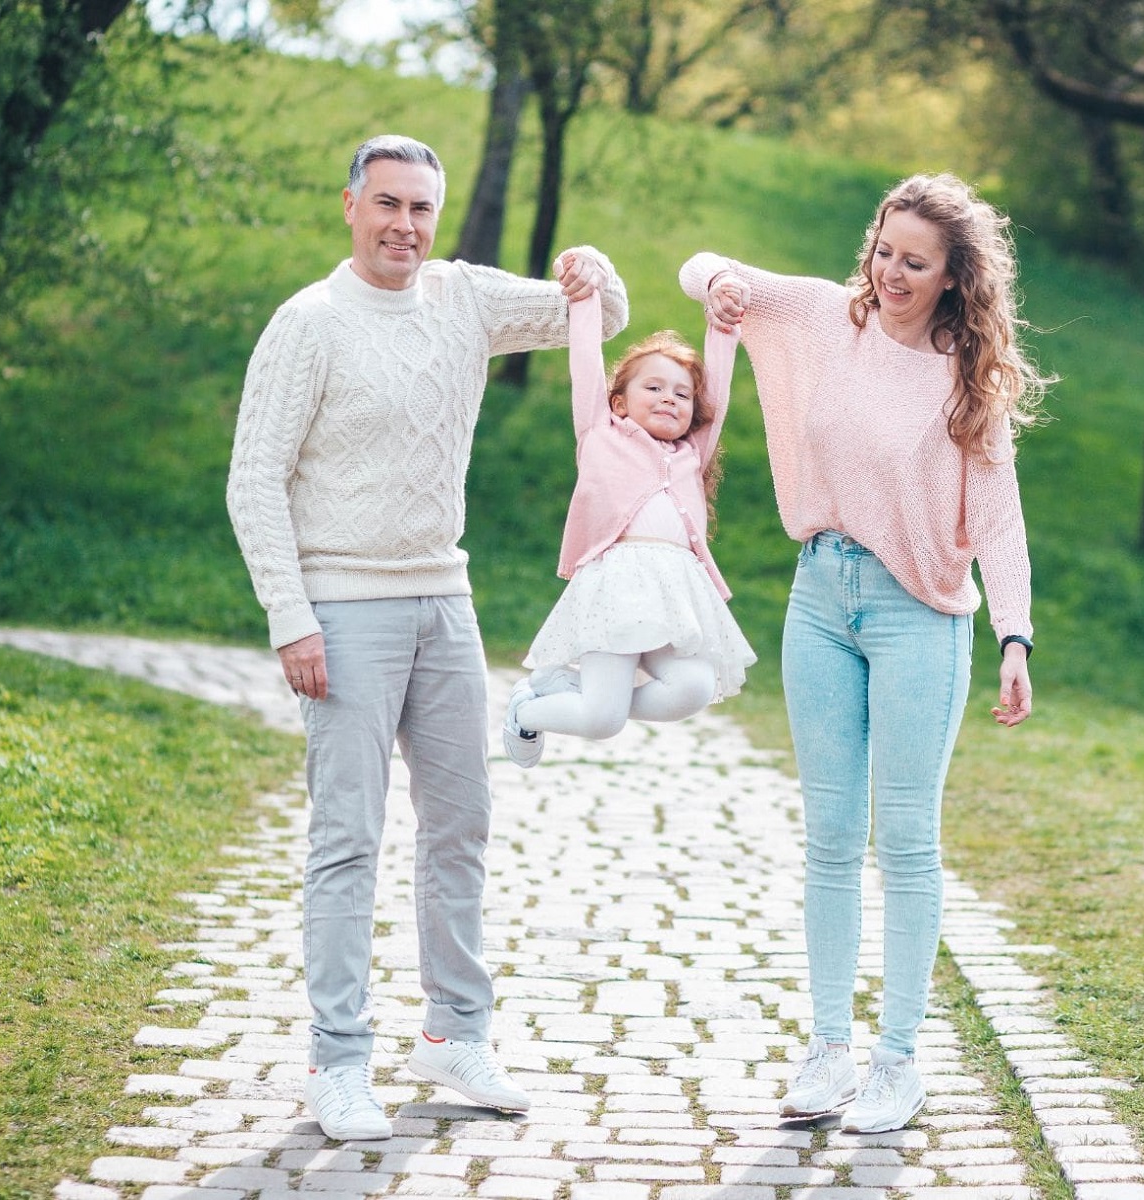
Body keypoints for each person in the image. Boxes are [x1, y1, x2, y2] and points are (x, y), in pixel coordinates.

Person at [226, 134, 628, 1141]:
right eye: (388, 205)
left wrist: (592, 269)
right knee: (346, 838)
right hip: (342, 609)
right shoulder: (307, 324)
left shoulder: (460, 297)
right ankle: (339, 1060)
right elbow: (253, 480)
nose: (404, 226)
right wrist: (292, 617)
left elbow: (599, 315)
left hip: (443, 599)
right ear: (351, 206)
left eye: (421, 211)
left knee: (461, 823)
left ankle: (454, 1034)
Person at [680, 172, 1048, 1134]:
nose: (891, 272)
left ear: (954, 277)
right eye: (884, 250)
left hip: (919, 614)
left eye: (914, 262)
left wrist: (1014, 633)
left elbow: (1000, 522)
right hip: (819, 597)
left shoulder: (967, 379)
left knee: (908, 839)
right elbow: (705, 271)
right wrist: (716, 281)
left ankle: (898, 1061)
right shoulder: (823, 318)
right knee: (831, 837)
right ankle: (828, 1051)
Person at [500, 290, 755, 766]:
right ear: (618, 403)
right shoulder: (600, 434)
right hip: (616, 590)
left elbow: (715, 392)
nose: (669, 398)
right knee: (602, 720)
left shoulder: (691, 455)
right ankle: (529, 711)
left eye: (681, 394)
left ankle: (572, 687)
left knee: (694, 687)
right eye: (654, 388)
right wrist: (585, 298)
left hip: (674, 593)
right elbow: (585, 362)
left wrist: (724, 329)